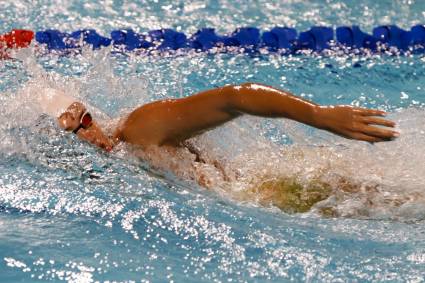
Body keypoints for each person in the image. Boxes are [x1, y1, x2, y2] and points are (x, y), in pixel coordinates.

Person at [54, 82, 399, 214]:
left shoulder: (140, 128)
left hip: (281, 194)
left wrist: (318, 115)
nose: (85, 136)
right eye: (75, 133)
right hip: (277, 197)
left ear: (93, 118)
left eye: (83, 123)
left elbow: (235, 98)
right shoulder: (123, 162)